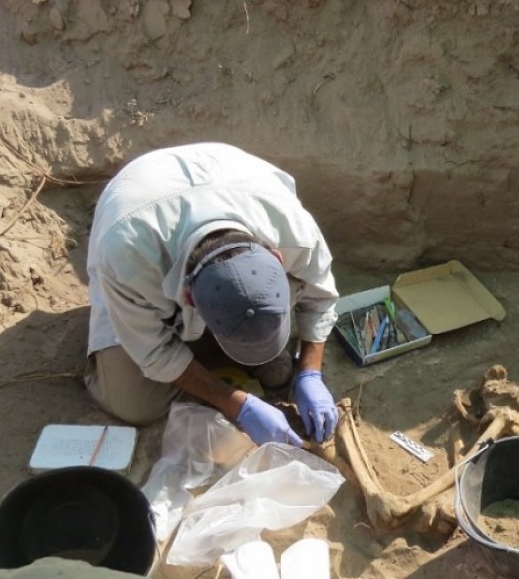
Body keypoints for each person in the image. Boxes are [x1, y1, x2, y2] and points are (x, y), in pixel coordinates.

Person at [84, 142, 341, 447]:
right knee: (136, 404)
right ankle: (204, 346)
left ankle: (218, 340)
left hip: (228, 176)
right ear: (189, 299)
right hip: (140, 205)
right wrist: (238, 405)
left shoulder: (293, 228)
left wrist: (310, 373)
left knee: (279, 372)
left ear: (277, 257)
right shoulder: (127, 258)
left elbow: (321, 295)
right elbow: (153, 353)